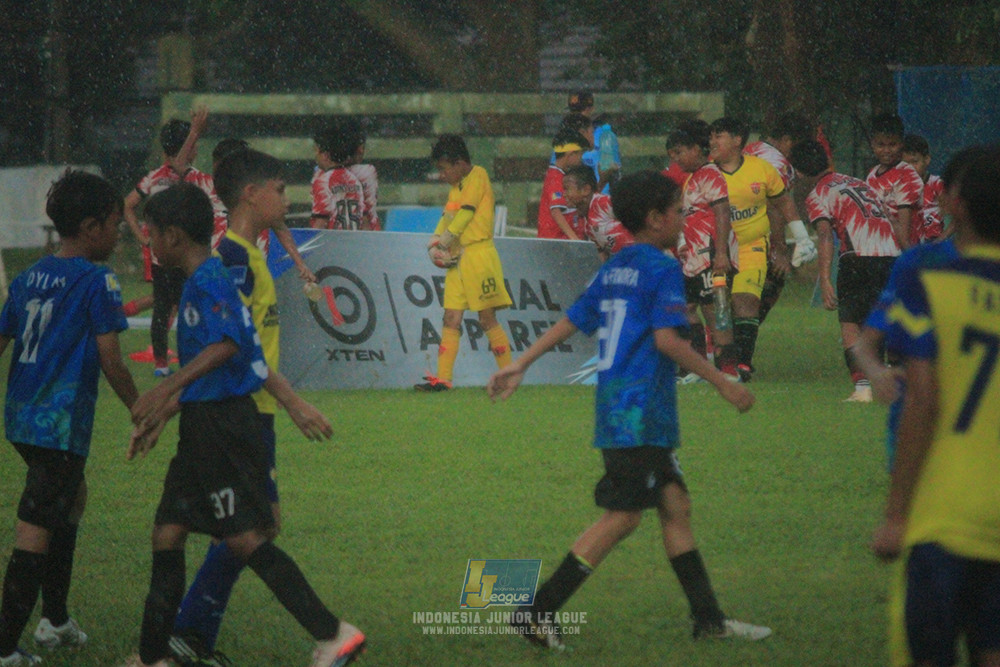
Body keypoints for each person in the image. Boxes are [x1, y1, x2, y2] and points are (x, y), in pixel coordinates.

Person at [487, 170, 769, 650]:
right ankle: (538, 610)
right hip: (641, 412)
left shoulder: (616, 265)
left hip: (618, 407)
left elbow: (575, 318)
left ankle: (709, 620)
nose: (683, 218)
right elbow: (667, 341)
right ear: (656, 218)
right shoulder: (662, 269)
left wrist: (522, 362)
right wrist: (722, 381)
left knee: (675, 505)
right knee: (623, 517)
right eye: (678, 211)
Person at [125, 183, 365, 667]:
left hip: (223, 427)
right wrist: (168, 411)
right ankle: (152, 658)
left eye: (151, 234)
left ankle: (333, 634)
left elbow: (229, 346)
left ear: (173, 236)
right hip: (202, 425)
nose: (148, 244)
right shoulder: (203, 278)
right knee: (167, 533)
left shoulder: (211, 279)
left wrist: (165, 390)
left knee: (245, 537)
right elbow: (234, 354)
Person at [168, 149, 334, 665]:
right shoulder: (235, 262)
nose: (287, 199)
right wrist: (294, 402)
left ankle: (190, 635)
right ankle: (185, 635)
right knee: (251, 529)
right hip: (242, 410)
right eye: (280, 190)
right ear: (251, 194)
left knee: (254, 527)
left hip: (251, 408)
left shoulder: (248, 253)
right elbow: (237, 346)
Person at [0, 171, 140, 666]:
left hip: (21, 418)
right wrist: (140, 409)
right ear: (90, 227)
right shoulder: (97, 280)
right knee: (36, 524)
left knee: (71, 499)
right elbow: (112, 359)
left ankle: (55, 620)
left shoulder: (28, 277)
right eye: (114, 224)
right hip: (57, 424)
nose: (119, 233)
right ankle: (5, 647)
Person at [871, 145, 1000, 667]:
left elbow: (922, 400)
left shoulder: (930, 280)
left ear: (954, 202)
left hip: (947, 509)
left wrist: (895, 513)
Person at [790, 140, 901, 403]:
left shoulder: (818, 194)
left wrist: (825, 279)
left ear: (800, 173)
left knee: (850, 324)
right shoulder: (857, 182)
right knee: (881, 320)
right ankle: (893, 380)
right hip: (890, 255)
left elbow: (825, 236)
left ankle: (862, 388)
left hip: (858, 257)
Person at [124, 109, 227, 377]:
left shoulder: (155, 177)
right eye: (194, 145)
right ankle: (195, 356)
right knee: (184, 305)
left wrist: (143, 239)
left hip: (161, 254)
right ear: (189, 149)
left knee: (163, 305)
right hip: (186, 255)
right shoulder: (196, 178)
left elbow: (128, 205)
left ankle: (162, 364)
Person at [415, 134, 514, 392]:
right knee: (450, 318)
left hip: (479, 255)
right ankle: (443, 380)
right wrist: (434, 244)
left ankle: (508, 376)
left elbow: (466, 214)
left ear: (459, 163)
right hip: (458, 259)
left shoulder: (478, 175)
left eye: (443, 168)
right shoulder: (455, 187)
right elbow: (448, 217)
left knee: (486, 319)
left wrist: (444, 241)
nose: (442, 175)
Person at [709, 116, 799, 382]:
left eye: (718, 136)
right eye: (711, 136)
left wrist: (799, 239)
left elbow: (781, 204)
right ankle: (720, 359)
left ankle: (743, 363)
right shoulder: (705, 173)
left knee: (746, 299)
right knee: (718, 306)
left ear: (737, 140)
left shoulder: (763, 168)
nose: (712, 141)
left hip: (752, 245)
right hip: (715, 248)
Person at [665, 120, 736, 377]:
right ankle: (697, 367)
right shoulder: (694, 178)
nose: (676, 160)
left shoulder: (710, 174)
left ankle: (728, 368)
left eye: (679, 153)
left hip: (711, 255)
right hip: (694, 260)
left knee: (714, 311)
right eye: (672, 156)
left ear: (696, 149)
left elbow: (722, 211)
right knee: (684, 309)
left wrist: (721, 254)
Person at [744, 113, 819, 323]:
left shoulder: (751, 149)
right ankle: (740, 339)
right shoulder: (778, 165)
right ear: (787, 140)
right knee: (769, 287)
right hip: (752, 240)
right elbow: (774, 208)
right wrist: (779, 250)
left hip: (730, 234)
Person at [865, 113, 921, 252]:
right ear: (872, 144)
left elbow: (904, 234)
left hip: (901, 253)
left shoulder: (906, 175)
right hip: (878, 250)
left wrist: (909, 259)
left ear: (901, 144)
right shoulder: (872, 175)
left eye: (892, 144)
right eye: (881, 145)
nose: (886, 150)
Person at [562, 164, 633, 259]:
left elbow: (634, 215)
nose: (564, 194)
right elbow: (602, 255)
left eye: (567, 189)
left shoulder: (602, 204)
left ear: (586, 190)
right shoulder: (587, 225)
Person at [310, 120, 365, 231]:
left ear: (325, 155)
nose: (315, 156)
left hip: (333, 240)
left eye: (316, 151)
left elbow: (320, 223)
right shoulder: (354, 181)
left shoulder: (323, 182)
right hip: (353, 239)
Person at [537, 128, 589, 240]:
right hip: (556, 241)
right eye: (580, 154)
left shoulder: (562, 175)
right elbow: (556, 211)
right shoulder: (556, 177)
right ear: (570, 154)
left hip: (562, 241)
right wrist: (574, 238)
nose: (581, 159)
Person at [901, 134, 945, 244]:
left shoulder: (936, 184)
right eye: (906, 163)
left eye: (915, 162)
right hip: (908, 245)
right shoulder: (899, 188)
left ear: (927, 160)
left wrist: (941, 239)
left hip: (932, 244)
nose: (910, 168)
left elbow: (958, 215)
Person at [346, 120, 382, 231]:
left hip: (342, 234)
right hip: (370, 232)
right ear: (360, 149)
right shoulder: (368, 171)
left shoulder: (327, 175)